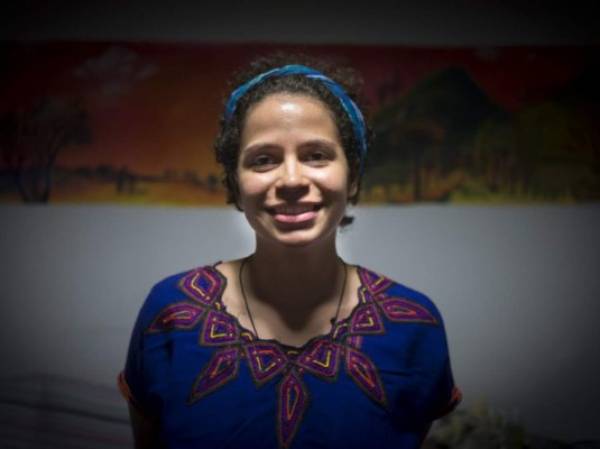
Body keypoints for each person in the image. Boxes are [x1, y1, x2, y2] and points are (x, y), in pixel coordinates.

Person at [118, 54, 461, 449]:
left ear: (352, 176)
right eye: (263, 160)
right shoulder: (171, 312)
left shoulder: (414, 324)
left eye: (317, 155)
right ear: (236, 182)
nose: (292, 180)